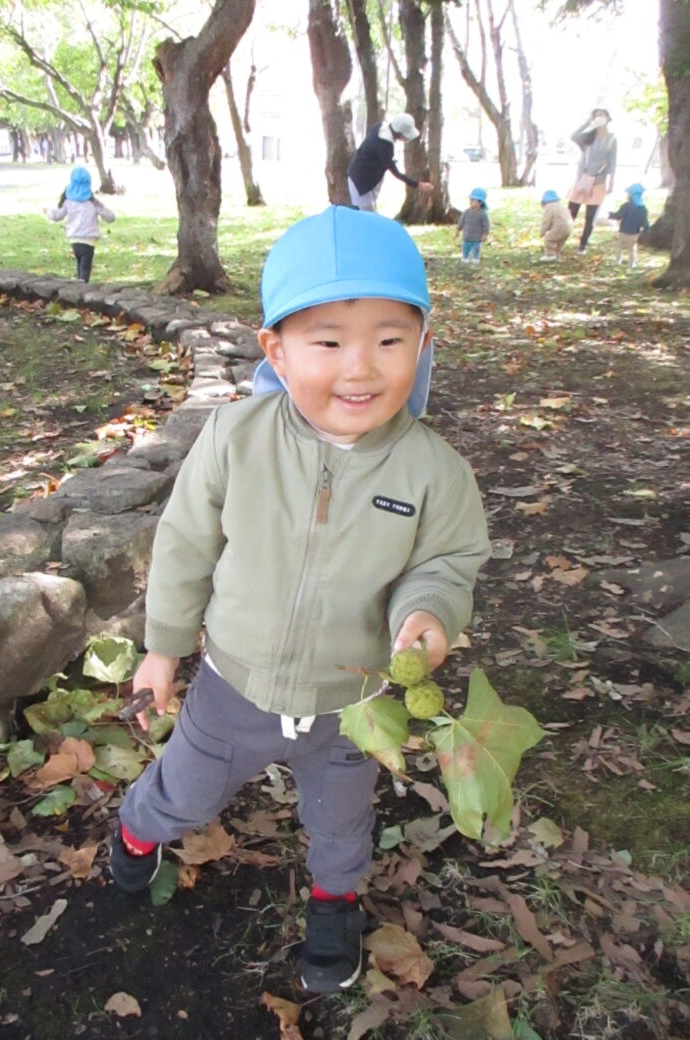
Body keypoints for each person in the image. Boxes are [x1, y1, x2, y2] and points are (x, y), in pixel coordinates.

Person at [108, 206, 491, 995]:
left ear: (424, 344)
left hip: (352, 704)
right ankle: (140, 830)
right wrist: (163, 648)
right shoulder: (235, 439)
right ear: (277, 351)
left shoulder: (435, 473)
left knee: (342, 819)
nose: (361, 368)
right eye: (328, 342)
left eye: (390, 341)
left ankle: (335, 900)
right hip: (232, 689)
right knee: (184, 790)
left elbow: (447, 563)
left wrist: (427, 615)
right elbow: (185, 543)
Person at [347, 113, 433, 211]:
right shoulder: (383, 145)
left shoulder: (380, 127)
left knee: (369, 212)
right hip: (361, 183)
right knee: (367, 215)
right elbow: (395, 171)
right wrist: (418, 185)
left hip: (369, 178)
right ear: (399, 133)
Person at [43, 166, 115, 282]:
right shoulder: (93, 203)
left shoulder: (68, 202)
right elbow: (110, 218)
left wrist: (48, 211)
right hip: (89, 240)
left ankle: (79, 283)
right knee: (85, 268)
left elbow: (57, 216)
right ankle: (82, 286)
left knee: (80, 264)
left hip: (74, 239)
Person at [567, 108, 617, 254]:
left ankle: (583, 244)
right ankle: (559, 239)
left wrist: (611, 183)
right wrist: (589, 122)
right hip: (582, 179)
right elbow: (573, 136)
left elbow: (612, 162)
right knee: (571, 212)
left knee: (591, 216)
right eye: (596, 115)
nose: (598, 117)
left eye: (601, 115)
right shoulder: (589, 136)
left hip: (598, 181)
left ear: (608, 118)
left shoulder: (612, 139)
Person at [608, 183, 649, 268]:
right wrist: (646, 229)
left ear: (630, 196)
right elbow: (644, 221)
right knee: (632, 248)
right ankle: (632, 263)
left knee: (619, 246)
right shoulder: (643, 209)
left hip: (623, 231)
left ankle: (618, 260)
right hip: (634, 232)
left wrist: (611, 215)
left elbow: (619, 215)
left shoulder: (625, 206)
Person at [456, 188, 489, 264]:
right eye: (470, 200)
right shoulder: (466, 212)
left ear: (480, 202)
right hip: (466, 237)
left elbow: (486, 225)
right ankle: (465, 259)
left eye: (473, 200)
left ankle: (475, 259)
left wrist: (485, 234)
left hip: (476, 239)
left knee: (475, 251)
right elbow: (461, 221)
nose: (470, 202)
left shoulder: (482, 214)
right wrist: (458, 230)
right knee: (465, 250)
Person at [539, 189, 574, 261]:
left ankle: (550, 254)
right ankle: (557, 256)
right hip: (569, 227)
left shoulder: (549, 208)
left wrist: (542, 232)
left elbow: (546, 221)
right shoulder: (561, 207)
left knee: (548, 239)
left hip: (560, 227)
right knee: (559, 243)